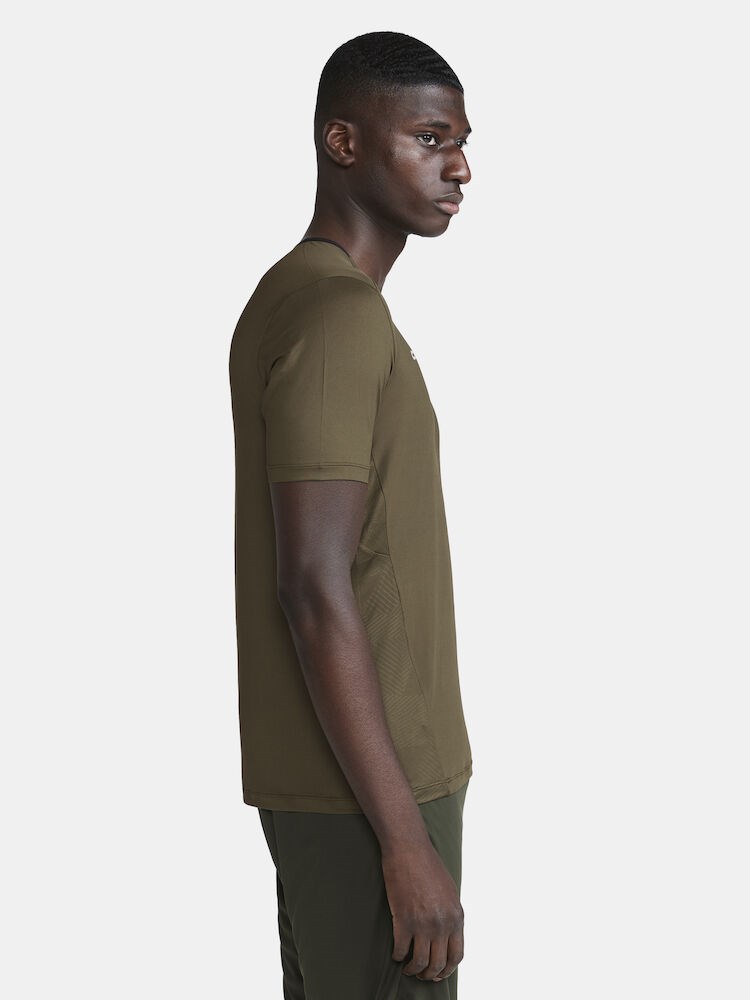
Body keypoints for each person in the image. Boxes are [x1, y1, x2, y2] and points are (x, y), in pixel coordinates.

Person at [229, 30, 474, 999]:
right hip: (374, 795)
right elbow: (313, 585)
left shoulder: (296, 299)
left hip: (339, 789)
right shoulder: (337, 317)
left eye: (461, 141)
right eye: (429, 138)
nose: (459, 167)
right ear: (343, 142)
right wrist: (407, 841)